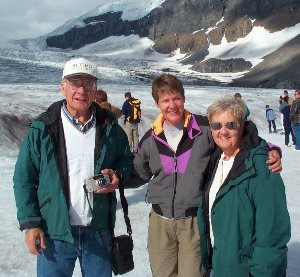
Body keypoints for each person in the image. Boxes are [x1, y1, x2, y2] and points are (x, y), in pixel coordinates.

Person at [125, 74, 282, 277]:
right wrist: (117, 179)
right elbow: (138, 173)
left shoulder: (205, 129)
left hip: (194, 222)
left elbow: (242, 136)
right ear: (157, 104)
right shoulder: (150, 138)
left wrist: (270, 149)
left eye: (176, 98)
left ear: (183, 98)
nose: (172, 105)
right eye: (165, 100)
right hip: (160, 223)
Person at [13, 57, 133, 277]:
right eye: (75, 83)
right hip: (54, 233)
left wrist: (117, 175)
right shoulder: (43, 128)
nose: (81, 90)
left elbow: (127, 160)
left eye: (88, 84)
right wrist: (31, 223)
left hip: (98, 231)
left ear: (95, 89)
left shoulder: (109, 126)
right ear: (63, 87)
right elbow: (24, 178)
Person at [197, 95, 290, 277]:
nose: (223, 131)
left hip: (246, 270)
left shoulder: (261, 166)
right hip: (222, 265)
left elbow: (273, 233)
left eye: (231, 125)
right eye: (217, 125)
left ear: (242, 127)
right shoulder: (216, 160)